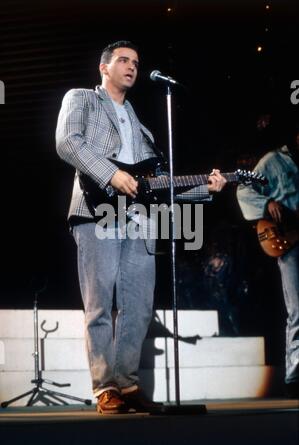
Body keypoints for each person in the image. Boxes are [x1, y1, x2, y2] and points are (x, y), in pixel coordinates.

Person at [56, 40, 227, 414]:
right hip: (97, 210)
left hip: (140, 220)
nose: (132, 66)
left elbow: (156, 188)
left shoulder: (143, 127)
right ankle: (105, 388)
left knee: (138, 305)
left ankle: (127, 383)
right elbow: (68, 142)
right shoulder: (82, 99)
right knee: (100, 304)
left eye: (136, 61)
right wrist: (111, 174)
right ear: (104, 67)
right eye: (123, 60)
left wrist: (205, 190)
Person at [237, 115, 299, 398]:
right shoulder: (273, 161)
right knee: (297, 309)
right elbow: (244, 189)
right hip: (289, 241)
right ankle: (295, 376)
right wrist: (268, 203)